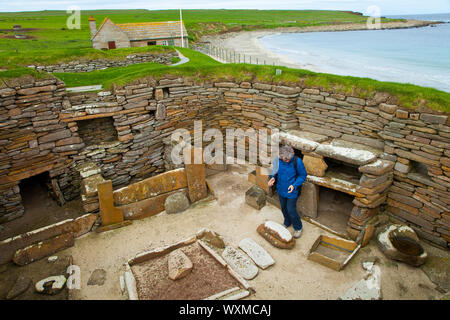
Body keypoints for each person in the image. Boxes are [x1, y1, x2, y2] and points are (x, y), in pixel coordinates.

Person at [268, 145, 307, 238]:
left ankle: (298, 227)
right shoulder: (277, 160)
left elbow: (303, 176)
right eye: (285, 160)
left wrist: (294, 185)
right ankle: (287, 222)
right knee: (283, 208)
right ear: (280, 156)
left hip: (292, 191)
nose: (287, 161)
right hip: (281, 188)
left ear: (292, 154)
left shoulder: (297, 161)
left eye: (289, 159)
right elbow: (273, 171)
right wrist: (272, 178)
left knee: (291, 210)